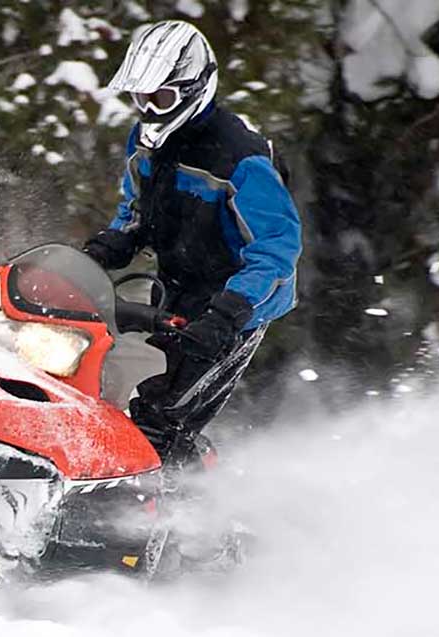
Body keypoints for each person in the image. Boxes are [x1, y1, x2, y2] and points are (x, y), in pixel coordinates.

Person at [83, 20, 302, 465]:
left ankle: (187, 520)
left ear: (193, 89)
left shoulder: (241, 158)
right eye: (139, 98)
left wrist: (228, 314)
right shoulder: (147, 140)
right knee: (100, 381)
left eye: (160, 99)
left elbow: (277, 249)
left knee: (161, 415)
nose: (148, 110)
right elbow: (136, 208)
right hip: (174, 287)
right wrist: (103, 249)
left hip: (236, 306)